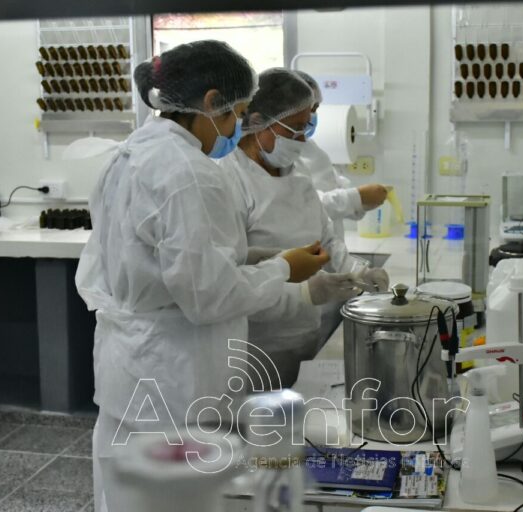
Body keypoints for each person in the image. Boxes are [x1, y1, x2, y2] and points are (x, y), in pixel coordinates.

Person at [75, 42, 329, 512]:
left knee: (124, 493)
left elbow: (161, 258)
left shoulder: (132, 153)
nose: (235, 130)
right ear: (211, 102)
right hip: (174, 375)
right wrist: (284, 270)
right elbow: (208, 296)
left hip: (129, 363)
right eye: (236, 115)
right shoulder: (191, 172)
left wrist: (259, 256)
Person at [218, 68, 389, 387]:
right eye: (295, 129)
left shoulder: (297, 174)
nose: (302, 140)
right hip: (254, 344)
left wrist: (356, 270)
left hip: (307, 332)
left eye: (306, 127)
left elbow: (326, 238)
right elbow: (231, 276)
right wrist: (305, 293)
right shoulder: (229, 180)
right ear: (258, 122)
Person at [293, 70, 388, 240]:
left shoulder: (312, 148)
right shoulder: (277, 154)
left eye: (315, 109)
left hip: (328, 248)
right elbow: (300, 206)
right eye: (308, 109)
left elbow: (332, 185)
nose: (312, 116)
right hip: (302, 249)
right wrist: (356, 198)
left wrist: (362, 202)